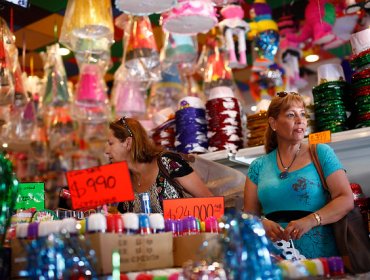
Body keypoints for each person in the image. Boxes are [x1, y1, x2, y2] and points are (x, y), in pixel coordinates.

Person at [243, 92, 354, 259]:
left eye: (302, 114)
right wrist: (262, 224)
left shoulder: (321, 153)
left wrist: (311, 220)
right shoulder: (257, 166)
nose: (300, 120)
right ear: (273, 123)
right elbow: (249, 216)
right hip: (275, 260)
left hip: (321, 259)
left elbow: (345, 198)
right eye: (290, 115)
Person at [105, 117, 213, 213]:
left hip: (182, 235)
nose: (106, 151)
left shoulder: (167, 162)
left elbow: (209, 201)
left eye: (110, 143)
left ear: (128, 143)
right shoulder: (121, 181)